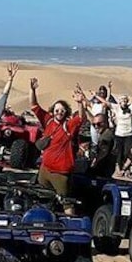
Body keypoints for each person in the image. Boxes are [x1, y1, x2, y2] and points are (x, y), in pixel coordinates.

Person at [30, 78, 87, 211]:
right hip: (44, 170)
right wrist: (32, 90)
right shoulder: (48, 121)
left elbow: (80, 118)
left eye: (62, 110)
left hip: (61, 173)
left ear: (66, 112)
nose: (59, 113)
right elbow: (34, 106)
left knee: (66, 202)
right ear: (52, 111)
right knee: (43, 198)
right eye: (56, 110)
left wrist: (80, 103)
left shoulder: (69, 126)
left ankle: (70, 227)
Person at [88, 112, 116, 177]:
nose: (96, 126)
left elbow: (103, 153)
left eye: (99, 124)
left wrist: (94, 164)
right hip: (106, 167)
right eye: (94, 124)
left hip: (104, 167)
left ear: (106, 123)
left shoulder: (106, 136)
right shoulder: (106, 134)